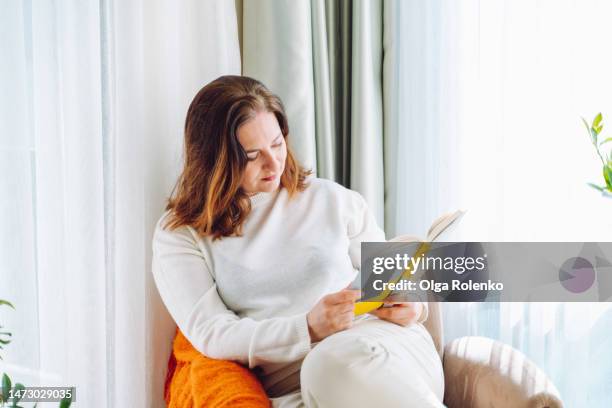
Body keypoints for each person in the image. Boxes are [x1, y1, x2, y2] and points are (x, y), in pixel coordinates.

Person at [152, 75, 445, 407]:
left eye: (277, 144)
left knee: (334, 363)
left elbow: (392, 278)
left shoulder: (330, 199)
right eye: (252, 155)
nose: (274, 163)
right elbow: (211, 333)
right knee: (327, 367)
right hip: (300, 384)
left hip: (391, 349)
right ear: (213, 161)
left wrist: (412, 306)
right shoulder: (180, 235)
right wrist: (307, 328)